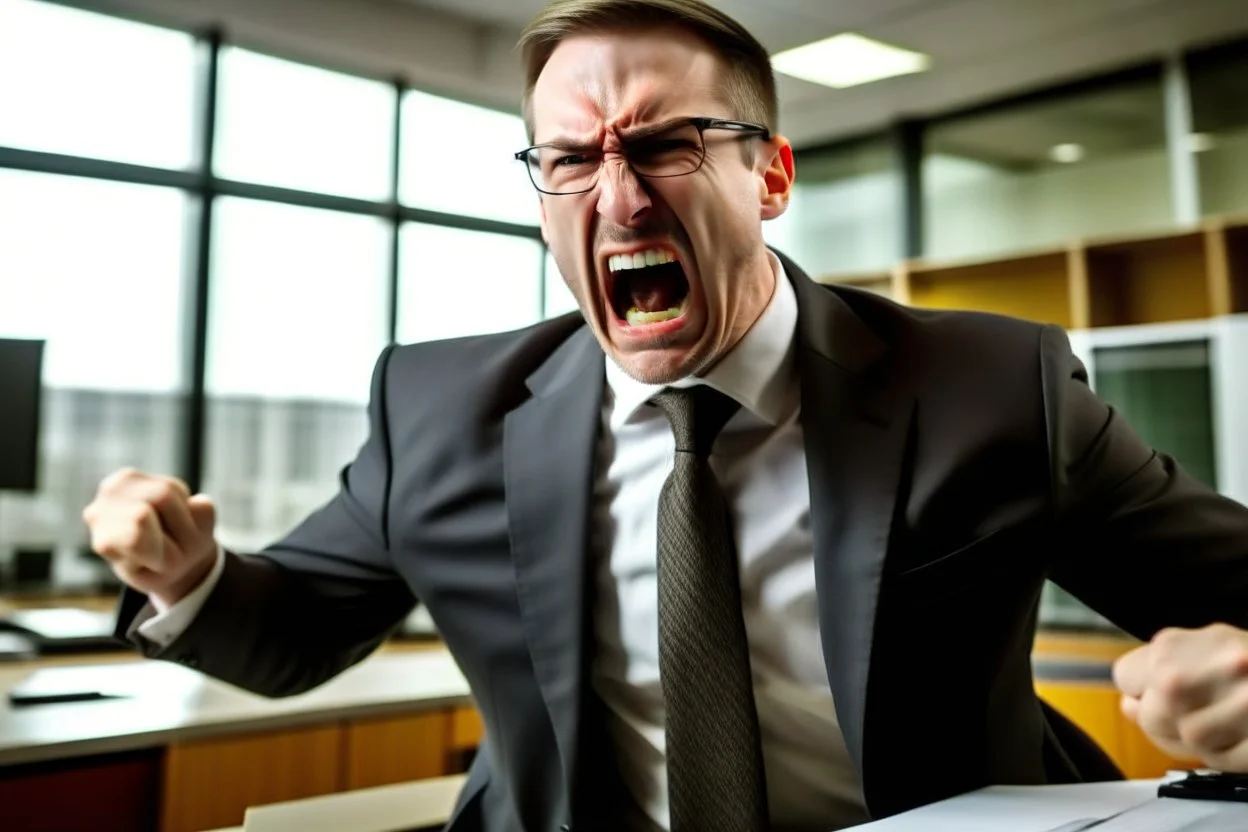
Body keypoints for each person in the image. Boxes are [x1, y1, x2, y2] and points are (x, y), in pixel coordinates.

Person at [83, 1, 1248, 830]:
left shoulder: (988, 386)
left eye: (664, 144)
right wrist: (188, 574)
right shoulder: (439, 410)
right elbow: (293, 632)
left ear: (770, 177)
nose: (620, 195)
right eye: (570, 160)